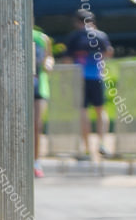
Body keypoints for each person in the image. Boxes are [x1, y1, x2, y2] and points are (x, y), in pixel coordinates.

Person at [65, 9, 114, 159]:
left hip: (80, 78)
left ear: (77, 22)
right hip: (97, 77)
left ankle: (86, 148)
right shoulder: (100, 35)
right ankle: (102, 144)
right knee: (100, 111)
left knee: (83, 111)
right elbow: (109, 52)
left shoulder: (74, 37)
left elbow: (67, 59)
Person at [33, 27, 54, 178]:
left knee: (36, 125)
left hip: (39, 87)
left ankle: (35, 161)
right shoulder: (9, 31)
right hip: (17, 87)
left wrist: (48, 64)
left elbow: (49, 57)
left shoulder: (41, 38)